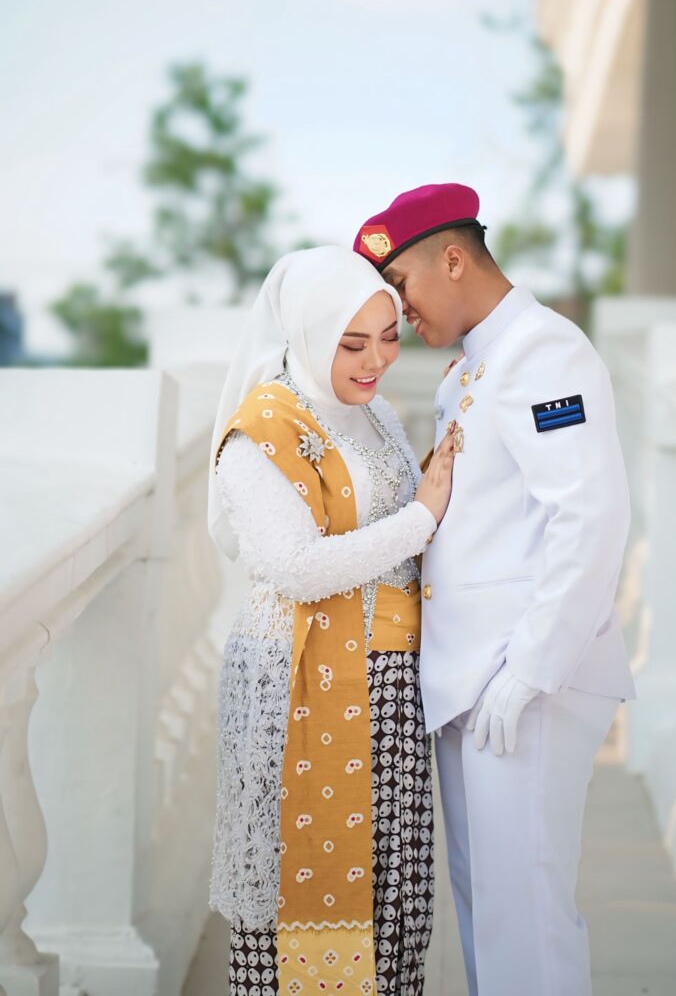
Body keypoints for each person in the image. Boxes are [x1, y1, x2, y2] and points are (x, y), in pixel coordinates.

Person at [354, 184, 636, 996]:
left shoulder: (544, 352)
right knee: (491, 914)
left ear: (453, 259)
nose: (399, 307)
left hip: (523, 680)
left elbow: (589, 517)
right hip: (472, 680)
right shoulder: (472, 368)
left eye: (401, 282)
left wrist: (533, 669)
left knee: (528, 921)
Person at [206, 245, 456, 996]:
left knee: (392, 905)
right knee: (299, 902)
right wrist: (421, 518)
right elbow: (294, 566)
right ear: (309, 335)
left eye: (388, 337)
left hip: (388, 686)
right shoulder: (263, 431)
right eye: (352, 344)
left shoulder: (372, 411)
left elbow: (401, 512)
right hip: (302, 688)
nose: (376, 360)